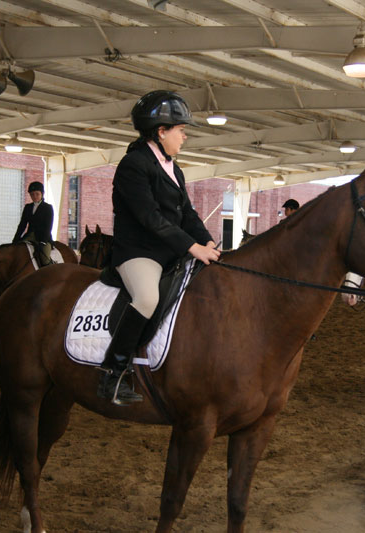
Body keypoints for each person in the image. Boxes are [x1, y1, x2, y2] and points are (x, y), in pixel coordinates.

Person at [100, 89, 220, 405]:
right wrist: (192, 247)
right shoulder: (133, 165)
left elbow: (187, 213)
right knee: (147, 297)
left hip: (170, 250)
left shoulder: (173, 168)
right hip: (138, 252)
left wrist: (206, 240)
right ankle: (114, 371)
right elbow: (149, 217)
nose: (184, 138)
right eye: (181, 131)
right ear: (161, 131)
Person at [13, 181, 54, 266]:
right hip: (29, 236)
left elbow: (48, 227)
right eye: (32, 194)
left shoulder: (48, 208)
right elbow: (22, 225)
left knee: (45, 258)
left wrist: (43, 241)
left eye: (37, 194)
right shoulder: (28, 207)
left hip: (43, 238)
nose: (34, 196)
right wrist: (16, 239)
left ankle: (50, 272)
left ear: (42, 194)